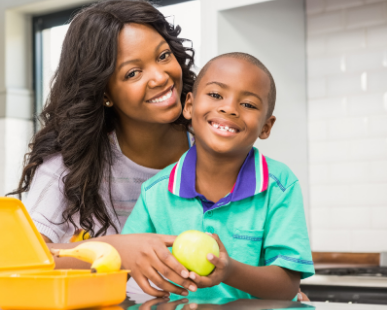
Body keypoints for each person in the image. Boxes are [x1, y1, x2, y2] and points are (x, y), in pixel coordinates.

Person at [10, 0, 198, 297]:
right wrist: (114, 250)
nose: (161, 77)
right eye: (133, 73)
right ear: (104, 93)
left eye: (163, 56)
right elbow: (22, 255)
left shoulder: (209, 141)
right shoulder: (72, 161)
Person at [122, 52, 315, 300]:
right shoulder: (155, 192)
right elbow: (123, 262)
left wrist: (230, 271)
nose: (229, 108)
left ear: (266, 127)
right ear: (189, 105)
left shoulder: (280, 185)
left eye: (248, 104)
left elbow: (287, 285)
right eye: (215, 95)